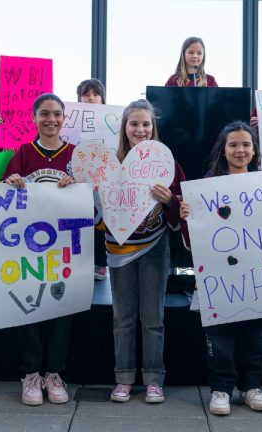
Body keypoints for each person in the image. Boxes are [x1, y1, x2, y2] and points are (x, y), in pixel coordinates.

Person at [179, 121, 262, 415]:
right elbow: (190, 243)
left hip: (258, 274)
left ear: (254, 150)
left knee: (256, 333)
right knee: (219, 334)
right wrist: (186, 219)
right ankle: (220, 388)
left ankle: (250, 387)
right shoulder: (204, 189)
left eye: (246, 144)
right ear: (223, 149)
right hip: (218, 276)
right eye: (233, 144)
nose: (240, 150)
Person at [104, 99, 185, 404]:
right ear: (124, 128)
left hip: (154, 247)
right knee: (122, 318)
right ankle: (123, 378)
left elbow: (185, 205)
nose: (140, 129)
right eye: (134, 123)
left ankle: (154, 379)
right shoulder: (110, 162)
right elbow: (96, 206)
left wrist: (169, 201)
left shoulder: (167, 163)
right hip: (118, 249)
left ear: (154, 128)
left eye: (146, 124)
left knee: (153, 318)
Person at [3, 93, 77, 406]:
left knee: (63, 308)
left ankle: (53, 373)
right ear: (34, 118)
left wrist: (79, 184)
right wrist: (11, 180)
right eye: (44, 114)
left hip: (65, 249)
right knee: (29, 307)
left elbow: (92, 198)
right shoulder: (22, 152)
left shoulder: (75, 154)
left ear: (64, 118)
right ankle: (31, 373)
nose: (51, 119)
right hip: (28, 249)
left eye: (57, 114)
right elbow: (2, 195)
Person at [76, 78, 109, 281]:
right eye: (86, 94)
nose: (91, 98)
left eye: (95, 94)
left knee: (101, 222)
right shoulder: (69, 119)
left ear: (102, 98)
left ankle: (100, 263)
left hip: (103, 180)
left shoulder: (113, 120)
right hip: (78, 179)